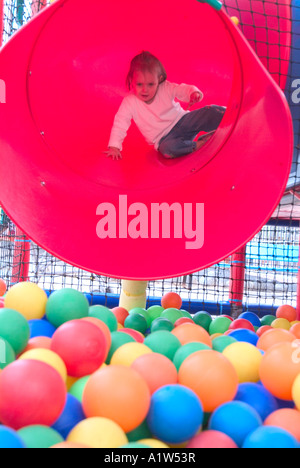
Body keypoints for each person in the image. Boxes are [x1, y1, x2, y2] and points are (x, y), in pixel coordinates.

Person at [105, 51, 225, 160]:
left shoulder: (165, 87)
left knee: (211, 111)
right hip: (164, 138)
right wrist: (114, 146)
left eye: (151, 84)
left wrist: (193, 93)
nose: (144, 90)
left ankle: (231, 119)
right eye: (139, 84)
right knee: (168, 150)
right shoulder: (129, 102)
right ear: (131, 80)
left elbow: (180, 89)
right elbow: (120, 123)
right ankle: (201, 143)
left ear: (159, 79)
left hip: (183, 121)